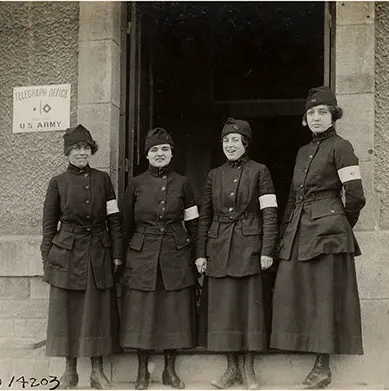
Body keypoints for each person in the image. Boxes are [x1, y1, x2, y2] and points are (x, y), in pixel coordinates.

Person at [270, 86, 366, 389]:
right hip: (300, 229)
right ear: (305, 119)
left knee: (324, 297)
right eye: (311, 113)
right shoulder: (303, 151)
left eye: (322, 112)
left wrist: (338, 224)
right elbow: (292, 198)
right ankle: (304, 352)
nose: (316, 117)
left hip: (327, 234)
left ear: (333, 116)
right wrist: (285, 234)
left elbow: (356, 196)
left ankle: (323, 367)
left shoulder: (342, 146)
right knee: (295, 291)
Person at [195, 118, 278, 390]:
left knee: (249, 310)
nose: (230, 145)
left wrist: (267, 249)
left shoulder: (260, 172)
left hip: (249, 248)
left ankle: (248, 370)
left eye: (235, 140)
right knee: (224, 311)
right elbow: (204, 215)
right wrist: (201, 253)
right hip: (219, 248)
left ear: (245, 143)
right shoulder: (213, 175)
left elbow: (269, 213)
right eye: (225, 141)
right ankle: (230, 370)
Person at [41, 124, 123, 389]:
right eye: (76, 148)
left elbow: (114, 219)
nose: (81, 153)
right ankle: (70, 371)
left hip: (98, 252)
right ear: (67, 152)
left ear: (91, 151)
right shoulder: (57, 183)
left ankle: (98, 371)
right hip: (67, 254)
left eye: (86, 148)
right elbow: (48, 225)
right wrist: (48, 261)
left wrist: (117, 253)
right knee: (69, 313)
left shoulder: (103, 180)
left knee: (97, 310)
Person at [119, 127, 199, 390]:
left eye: (165, 149)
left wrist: (199, 254)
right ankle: (142, 372)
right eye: (154, 150)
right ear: (147, 155)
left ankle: (169, 371)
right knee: (144, 312)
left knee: (173, 312)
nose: (160, 154)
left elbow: (194, 223)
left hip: (175, 254)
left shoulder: (183, 183)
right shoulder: (135, 184)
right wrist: (119, 258)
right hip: (143, 255)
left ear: (172, 153)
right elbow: (125, 225)